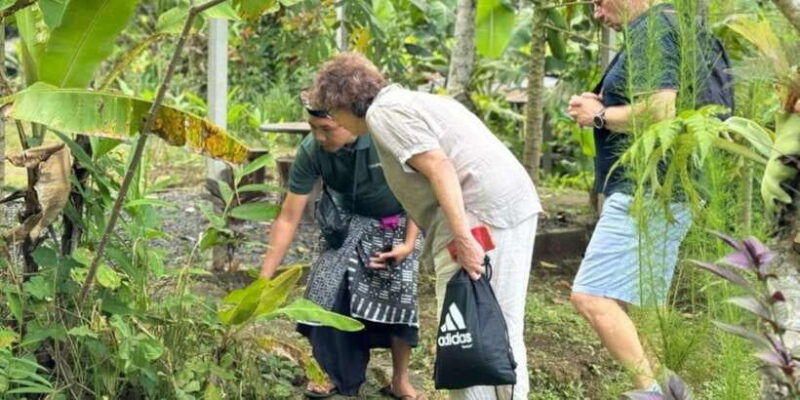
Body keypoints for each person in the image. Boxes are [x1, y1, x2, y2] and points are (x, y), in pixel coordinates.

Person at [309, 52, 542, 400]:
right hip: (505, 205)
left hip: (480, 213)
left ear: (342, 104)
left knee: (465, 326)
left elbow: (439, 167)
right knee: (499, 323)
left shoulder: (383, 114)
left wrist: (463, 238)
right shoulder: (408, 101)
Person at [566, 0, 732, 393]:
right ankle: (669, 390)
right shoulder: (680, 25)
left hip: (648, 189)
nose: (596, 13)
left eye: (597, 2)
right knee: (646, 308)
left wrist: (599, 116)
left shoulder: (654, 30)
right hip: (672, 188)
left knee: (591, 297)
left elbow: (661, 110)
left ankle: (651, 391)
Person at [259, 106, 424, 399]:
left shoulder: (383, 138)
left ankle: (400, 379)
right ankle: (334, 374)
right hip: (346, 224)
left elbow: (419, 188)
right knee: (325, 288)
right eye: (313, 127)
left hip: (397, 225)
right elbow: (288, 217)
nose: (318, 136)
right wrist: (263, 280)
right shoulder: (311, 150)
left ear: (350, 122)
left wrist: (409, 244)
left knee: (400, 296)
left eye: (327, 129)